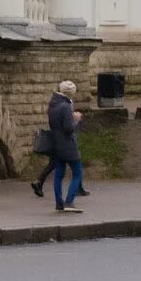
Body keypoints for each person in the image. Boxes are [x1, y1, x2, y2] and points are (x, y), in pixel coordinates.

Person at [48, 79, 85, 213]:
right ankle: (69, 201)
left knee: (59, 175)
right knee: (77, 173)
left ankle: (59, 203)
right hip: (68, 145)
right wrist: (77, 119)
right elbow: (68, 128)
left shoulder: (52, 104)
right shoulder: (65, 106)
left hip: (56, 144)